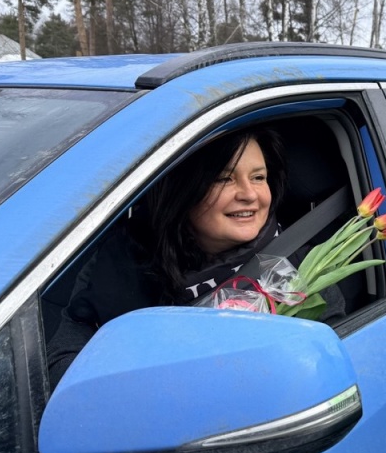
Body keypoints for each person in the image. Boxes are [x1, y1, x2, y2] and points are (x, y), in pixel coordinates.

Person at [47, 127, 344, 384]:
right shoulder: (119, 259)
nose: (250, 194)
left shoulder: (302, 273)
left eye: (258, 177)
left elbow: (321, 373)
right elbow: (62, 365)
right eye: (224, 179)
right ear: (183, 190)